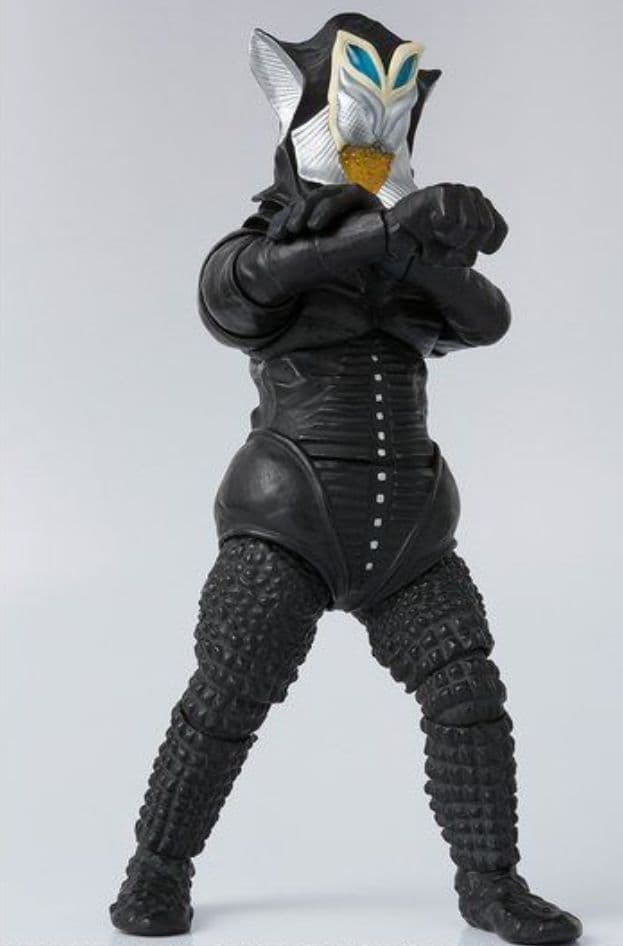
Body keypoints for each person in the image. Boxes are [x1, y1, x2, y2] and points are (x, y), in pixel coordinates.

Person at [110, 14, 582, 944]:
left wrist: (426, 242)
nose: (373, 141)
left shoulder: (409, 270)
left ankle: (491, 885)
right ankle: (155, 870)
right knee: (226, 698)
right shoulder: (269, 249)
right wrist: (374, 237)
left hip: (409, 529)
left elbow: (485, 320)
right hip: (287, 520)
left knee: (468, 698)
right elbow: (234, 290)